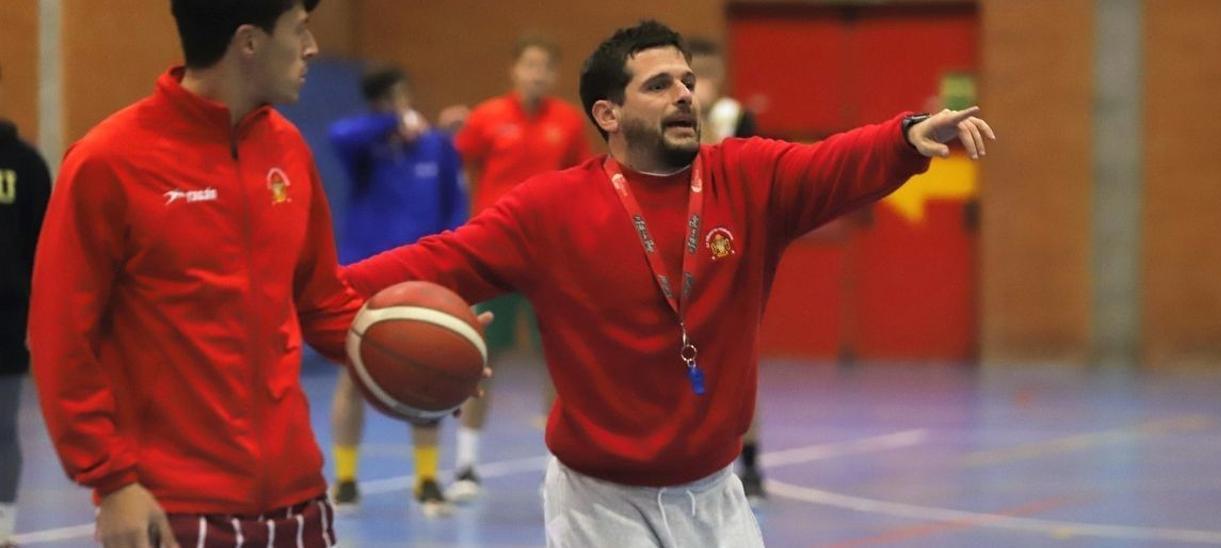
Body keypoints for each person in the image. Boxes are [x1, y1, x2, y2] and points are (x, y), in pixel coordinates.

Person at [342, 20, 994, 547]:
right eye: (659, 85)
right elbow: (435, 260)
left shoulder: (749, 176)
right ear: (608, 113)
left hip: (715, 494)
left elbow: (834, 160)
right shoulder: (549, 209)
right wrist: (309, 290)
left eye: (687, 80)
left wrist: (907, 137)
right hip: (598, 504)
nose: (685, 93)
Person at [28, 2, 367, 546]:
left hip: (299, 502)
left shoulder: (288, 150)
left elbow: (323, 303)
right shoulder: (107, 161)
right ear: (249, 42)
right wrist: (112, 481)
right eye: (299, 29)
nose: (312, 48)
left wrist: (410, 346)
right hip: (172, 508)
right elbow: (59, 337)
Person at [442, 33, 593, 502]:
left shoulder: (567, 122)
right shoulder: (487, 117)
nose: (536, 74)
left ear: (553, 74)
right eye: (529, 65)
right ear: (514, 70)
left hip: (551, 258)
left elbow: (579, 182)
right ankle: (466, 465)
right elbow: (465, 168)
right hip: (495, 256)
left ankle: (561, 469)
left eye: (545, 67)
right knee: (481, 357)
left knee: (560, 362)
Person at [326, 66, 468, 517]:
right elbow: (339, 135)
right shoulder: (364, 147)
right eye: (388, 101)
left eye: (401, 99)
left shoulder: (436, 146)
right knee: (352, 377)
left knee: (429, 375)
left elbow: (455, 209)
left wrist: (455, 273)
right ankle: (345, 480)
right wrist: (391, 124)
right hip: (362, 277)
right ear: (376, 105)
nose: (399, 106)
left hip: (423, 278)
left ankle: (427, 480)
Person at [686, 36, 769, 504]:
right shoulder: (670, 116)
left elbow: (752, 176)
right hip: (681, 251)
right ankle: (690, 454)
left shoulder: (737, 117)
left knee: (739, 357)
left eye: (711, 71)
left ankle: (752, 461)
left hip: (729, 247)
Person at [0, 63, 53, 548]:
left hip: (5, 321)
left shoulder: (25, 165)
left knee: (1, 428)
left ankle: (2, 528)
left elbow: (46, 247)